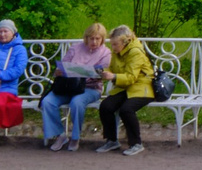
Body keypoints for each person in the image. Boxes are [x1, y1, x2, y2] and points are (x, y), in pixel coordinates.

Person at [42, 24, 111, 152]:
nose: (94, 42)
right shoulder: (75, 48)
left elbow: (103, 73)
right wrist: (59, 71)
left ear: (102, 39)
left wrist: (91, 73)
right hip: (69, 86)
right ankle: (60, 135)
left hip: (90, 88)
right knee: (47, 102)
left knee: (77, 102)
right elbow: (62, 66)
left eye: (97, 39)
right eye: (91, 38)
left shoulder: (105, 53)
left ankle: (75, 137)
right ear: (86, 38)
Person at [97, 27, 151, 156]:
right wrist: (101, 71)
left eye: (115, 44)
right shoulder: (117, 52)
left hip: (143, 88)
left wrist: (114, 77)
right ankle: (112, 141)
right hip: (125, 87)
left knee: (126, 109)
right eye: (112, 44)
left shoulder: (136, 52)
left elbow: (131, 77)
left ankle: (136, 143)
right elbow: (112, 68)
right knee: (105, 106)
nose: (113, 47)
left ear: (125, 42)